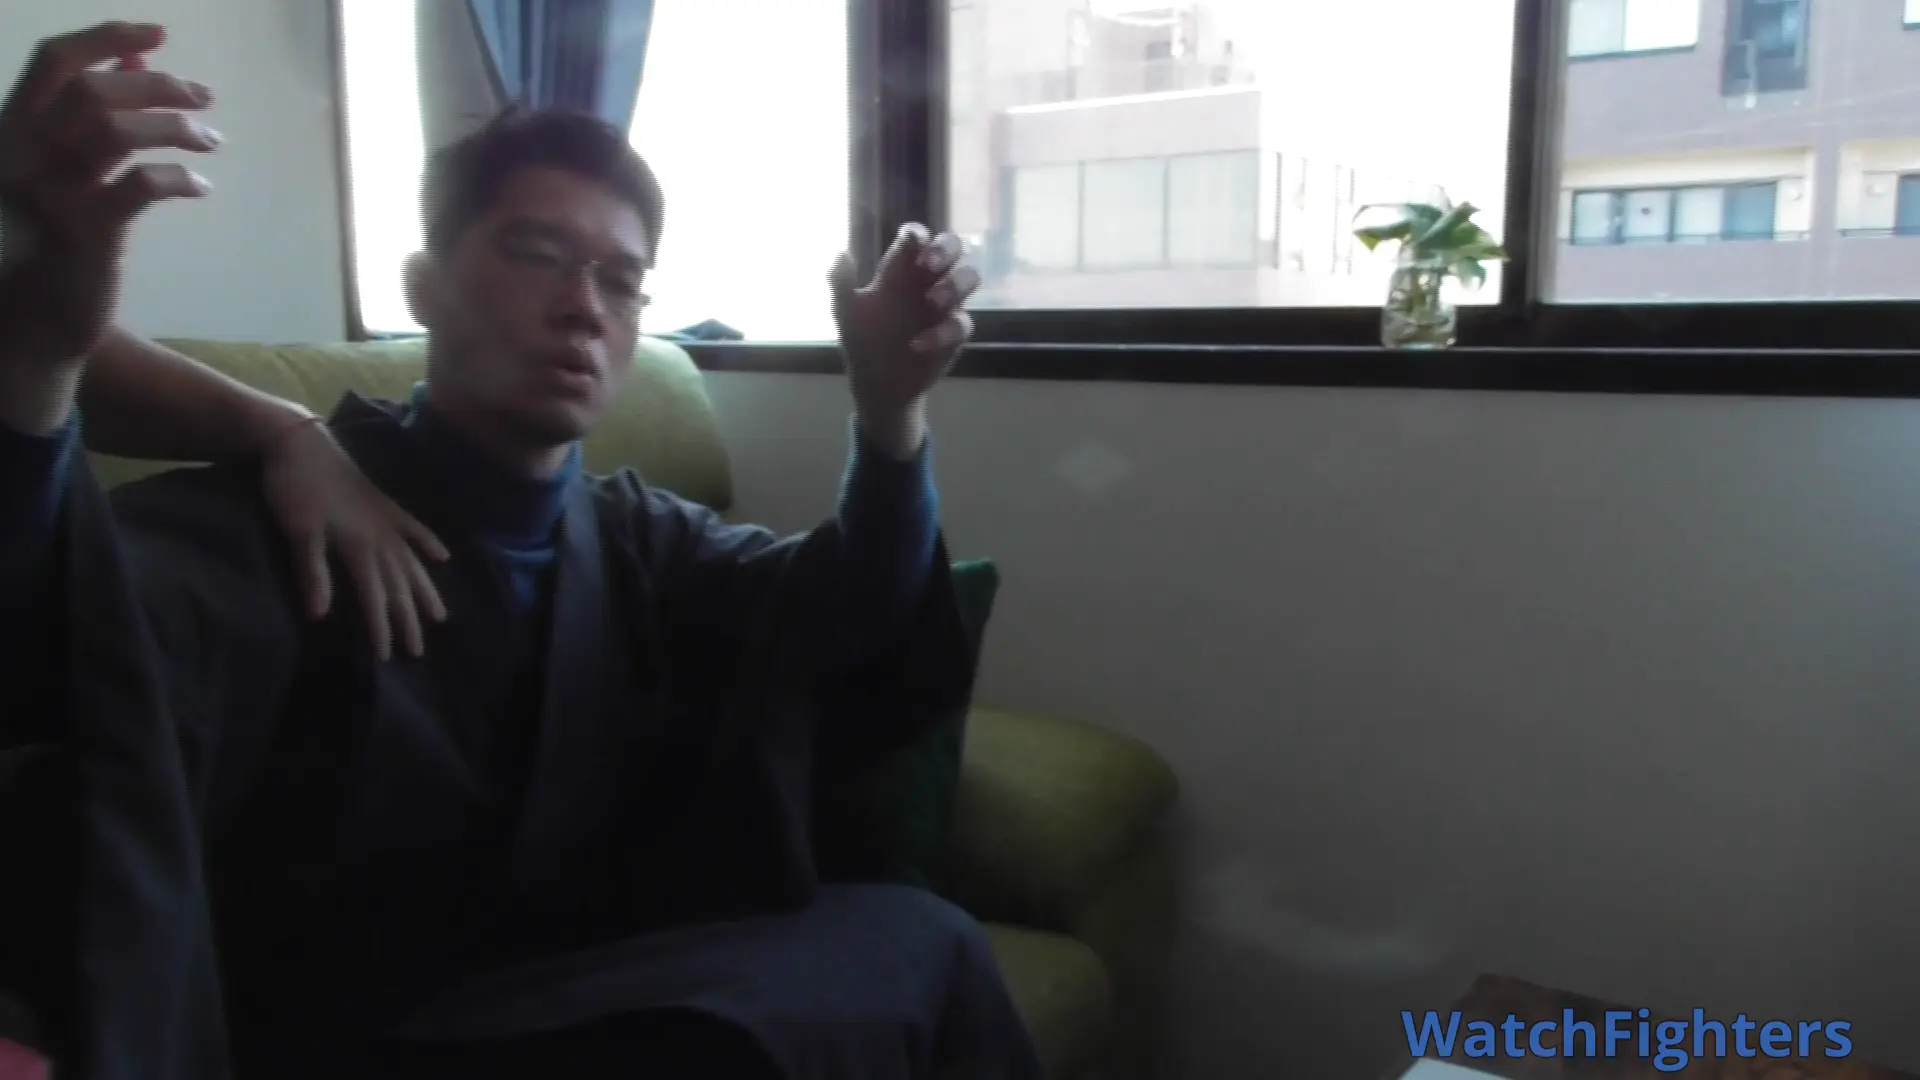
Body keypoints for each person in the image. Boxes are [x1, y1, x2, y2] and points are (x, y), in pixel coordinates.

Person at [0, 20, 1041, 1080]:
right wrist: (37, 350)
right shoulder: (285, 520)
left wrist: (889, 411)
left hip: (566, 992)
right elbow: (52, 639)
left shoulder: (639, 539)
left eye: (622, 282)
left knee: (920, 940)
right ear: (424, 286)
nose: (583, 307)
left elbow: (852, 618)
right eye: (537, 255)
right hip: (349, 1034)